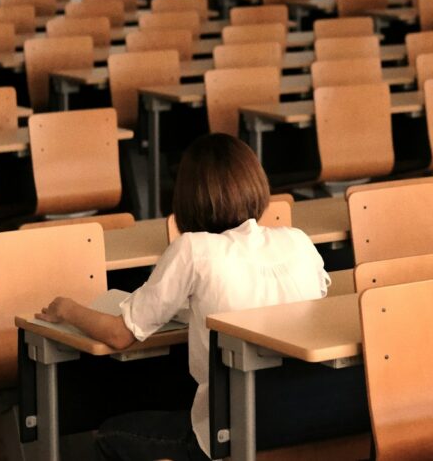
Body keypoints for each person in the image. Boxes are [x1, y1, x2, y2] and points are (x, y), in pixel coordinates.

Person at [37, 133, 331, 460]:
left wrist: (67, 309)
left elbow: (118, 335)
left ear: (187, 197)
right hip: (311, 421)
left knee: (110, 434)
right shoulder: (298, 240)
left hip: (230, 433)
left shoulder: (193, 249)